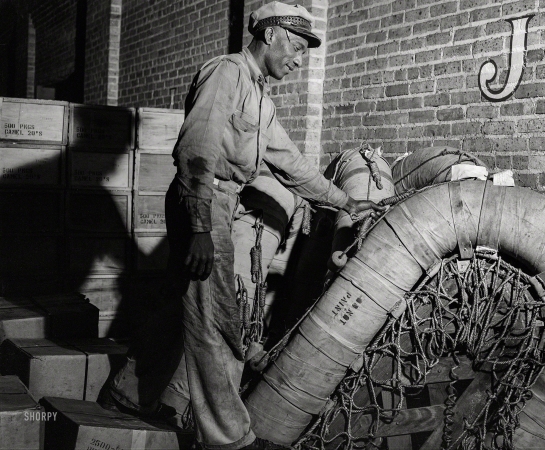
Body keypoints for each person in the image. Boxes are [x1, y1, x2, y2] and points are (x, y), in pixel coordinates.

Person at [100, 3, 384, 450]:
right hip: (204, 201)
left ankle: (128, 392)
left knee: (182, 306)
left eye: (305, 53)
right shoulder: (227, 73)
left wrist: (347, 201)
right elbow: (197, 148)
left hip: (217, 204)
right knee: (217, 322)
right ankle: (228, 438)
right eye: (294, 46)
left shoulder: (260, 98)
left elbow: (290, 163)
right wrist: (199, 226)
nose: (297, 59)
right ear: (269, 35)